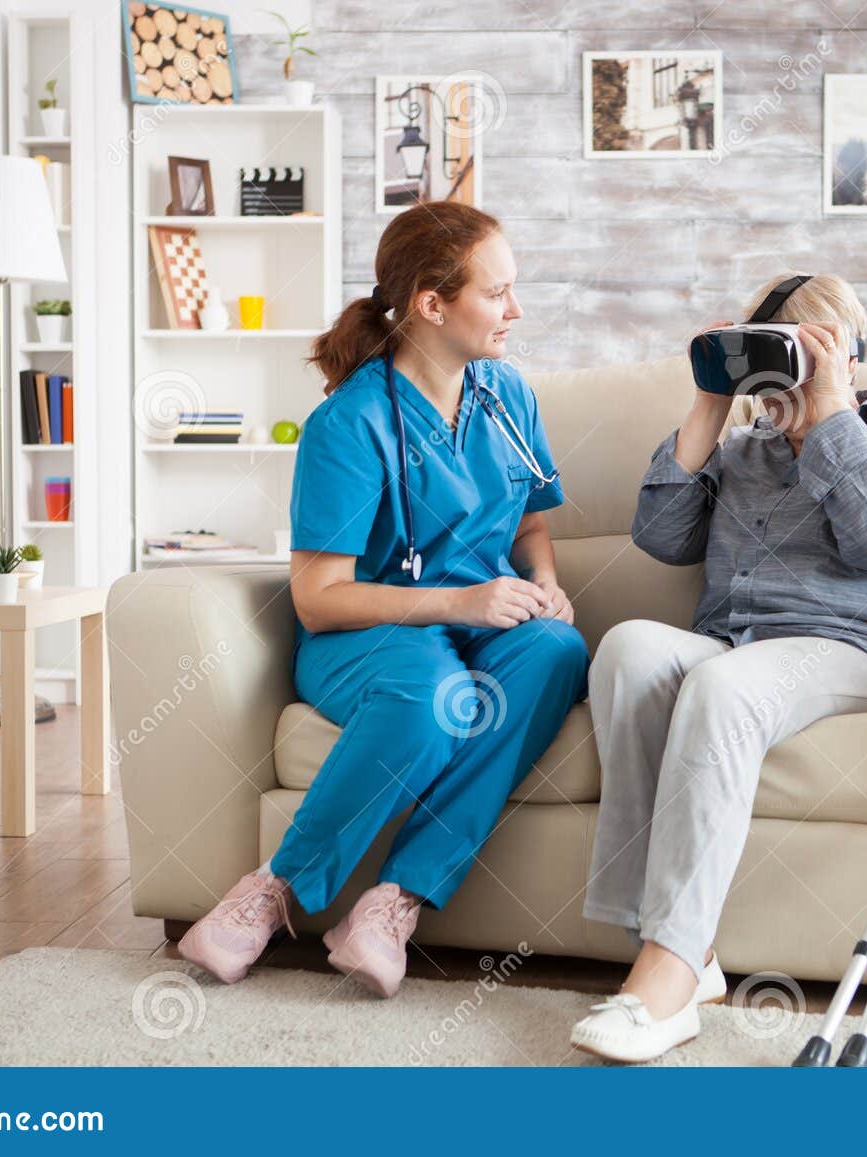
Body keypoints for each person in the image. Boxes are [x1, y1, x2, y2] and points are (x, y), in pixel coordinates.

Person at [179, 202, 589, 998]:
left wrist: (545, 580)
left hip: (481, 621)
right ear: (433, 304)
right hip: (368, 636)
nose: (516, 309)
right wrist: (459, 605)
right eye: (497, 292)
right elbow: (317, 599)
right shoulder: (349, 423)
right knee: (432, 696)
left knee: (555, 650)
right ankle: (270, 892)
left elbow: (531, 521)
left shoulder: (507, 396)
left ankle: (392, 901)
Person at [571, 273, 867, 1062]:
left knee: (721, 685)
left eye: (794, 354)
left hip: (860, 650)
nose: (778, 380)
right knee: (629, 649)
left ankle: (666, 981)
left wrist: (831, 409)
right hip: (738, 644)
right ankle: (684, 953)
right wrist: (712, 400)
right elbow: (660, 535)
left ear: (845, 353)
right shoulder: (742, 448)